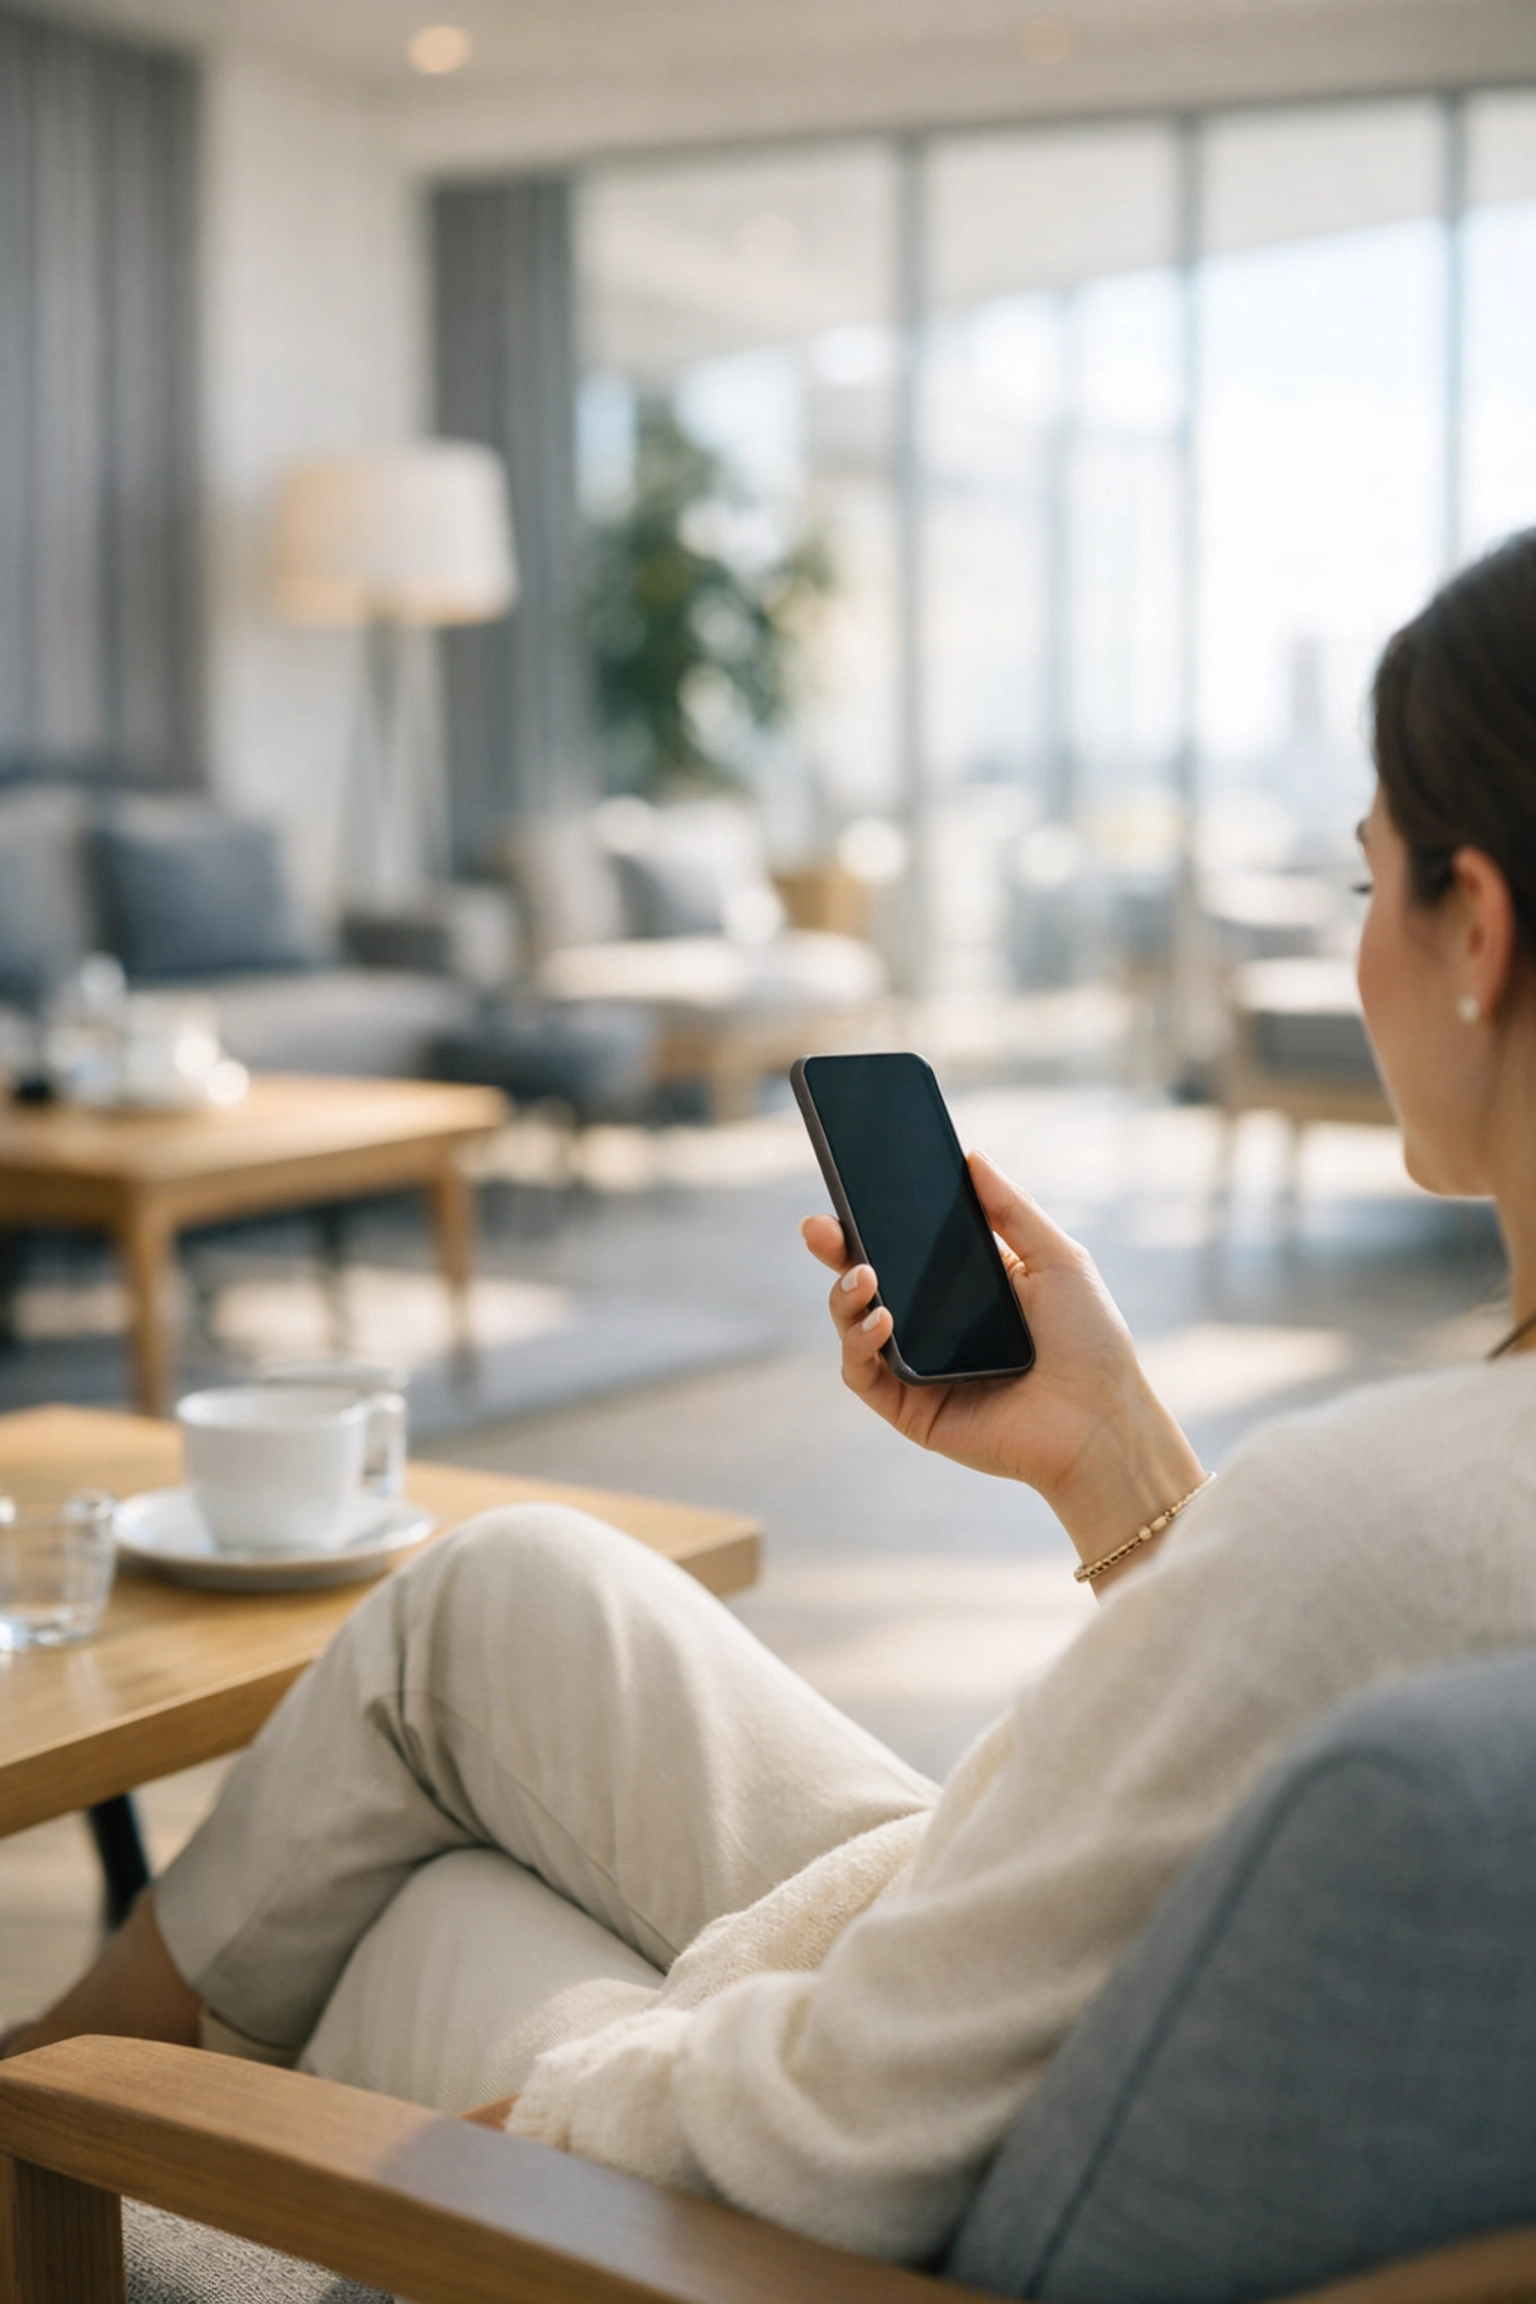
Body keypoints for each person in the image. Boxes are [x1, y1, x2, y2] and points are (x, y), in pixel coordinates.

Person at [9, 531, 1536, 2267]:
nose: (1361, 947)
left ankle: (39, 2167)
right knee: (500, 1598)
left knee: (434, 1912)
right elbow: (1221, 1759)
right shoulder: (1442, 1520)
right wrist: (1113, 1455)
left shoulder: (1357, 1530)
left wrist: (507, 2130)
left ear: (1472, 923)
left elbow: (822, 2136)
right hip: (1023, 2001)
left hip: (813, 2223)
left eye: (1367, 886)